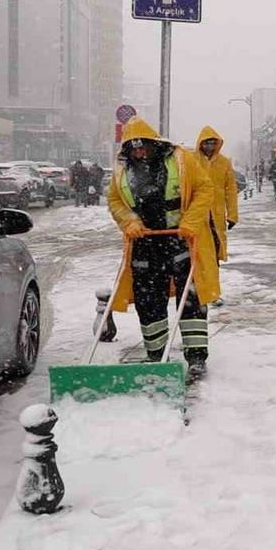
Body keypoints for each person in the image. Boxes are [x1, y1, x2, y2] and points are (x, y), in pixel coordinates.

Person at [107, 117, 220, 379]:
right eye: (134, 149)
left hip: (180, 240)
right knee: (148, 299)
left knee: (190, 298)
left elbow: (205, 189)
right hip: (144, 243)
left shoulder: (181, 159)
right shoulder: (122, 169)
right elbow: (114, 200)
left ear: (153, 144)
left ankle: (196, 357)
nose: (139, 153)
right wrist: (129, 221)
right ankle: (156, 354)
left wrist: (190, 221)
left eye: (143, 147)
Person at [193, 126, 238, 265]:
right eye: (206, 143)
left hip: (216, 214)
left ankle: (213, 271)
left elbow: (230, 190)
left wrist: (232, 215)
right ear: (201, 143)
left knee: (215, 245)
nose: (209, 147)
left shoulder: (224, 163)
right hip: (197, 212)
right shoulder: (192, 161)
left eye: (213, 143)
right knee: (197, 248)